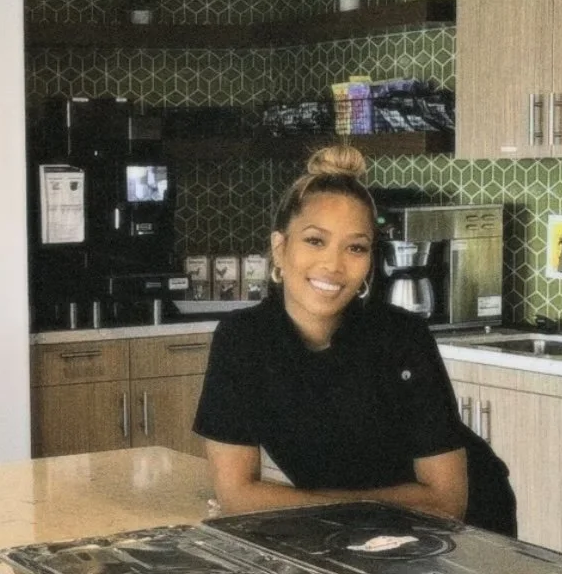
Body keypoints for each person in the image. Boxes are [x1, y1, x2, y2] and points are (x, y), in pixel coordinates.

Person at [192, 145, 517, 535]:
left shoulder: (402, 338)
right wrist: (314, 507)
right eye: (315, 241)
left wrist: (285, 505)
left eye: (356, 247)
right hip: (350, 531)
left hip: (466, 532)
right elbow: (237, 497)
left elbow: (446, 502)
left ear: (368, 261)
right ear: (280, 248)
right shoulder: (242, 341)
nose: (333, 264)